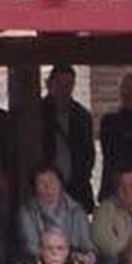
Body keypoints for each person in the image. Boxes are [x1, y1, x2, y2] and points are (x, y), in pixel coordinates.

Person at [39, 64, 99, 209]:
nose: (63, 90)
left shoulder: (82, 116)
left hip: (76, 189)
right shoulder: (37, 114)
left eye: (68, 85)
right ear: (49, 84)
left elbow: (88, 153)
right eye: (59, 84)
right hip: (44, 188)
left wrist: (83, 176)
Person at [17, 165, 95, 264]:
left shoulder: (77, 210)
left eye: (52, 181)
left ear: (61, 183)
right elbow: (31, 248)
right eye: (41, 183)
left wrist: (90, 256)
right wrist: (63, 256)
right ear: (35, 188)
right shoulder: (27, 212)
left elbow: (87, 244)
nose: (48, 186)